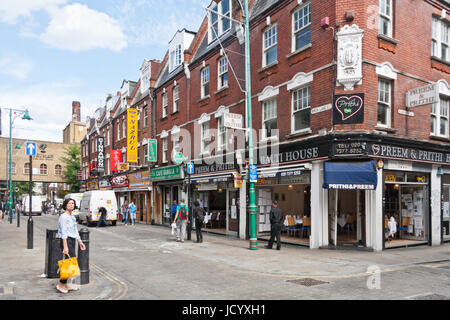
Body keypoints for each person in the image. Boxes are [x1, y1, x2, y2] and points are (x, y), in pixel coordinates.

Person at [56, 198, 86, 294]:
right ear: (65, 205)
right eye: (69, 203)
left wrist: (80, 241)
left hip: (72, 240)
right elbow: (64, 232)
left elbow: (75, 230)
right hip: (66, 240)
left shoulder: (72, 217)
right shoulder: (64, 217)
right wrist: (65, 247)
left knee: (72, 262)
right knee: (67, 263)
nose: (71, 205)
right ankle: (61, 284)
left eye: (73, 203)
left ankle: (67, 284)